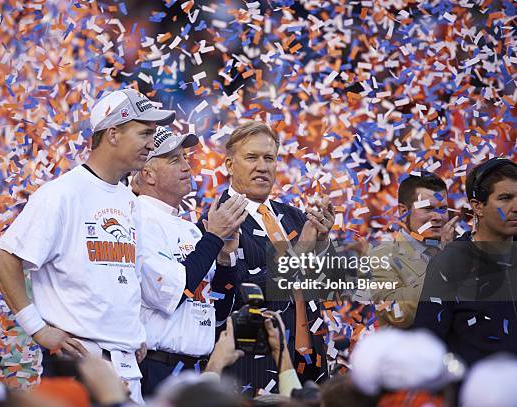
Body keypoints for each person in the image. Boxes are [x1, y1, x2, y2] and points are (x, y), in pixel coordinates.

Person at [0, 88, 175, 404]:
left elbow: (125, 275)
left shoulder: (129, 200)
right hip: (79, 365)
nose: (150, 143)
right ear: (113, 134)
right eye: (144, 133)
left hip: (128, 365)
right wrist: (37, 328)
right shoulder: (62, 194)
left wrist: (135, 333)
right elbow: (3, 257)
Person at [199, 121, 338, 393]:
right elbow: (237, 294)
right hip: (253, 371)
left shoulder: (294, 217)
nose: (262, 166)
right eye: (251, 157)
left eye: (269, 158)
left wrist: (322, 243)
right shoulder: (216, 221)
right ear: (229, 164)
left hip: (310, 363)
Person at [131, 126, 248, 396]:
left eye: (186, 158)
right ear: (147, 174)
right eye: (174, 160)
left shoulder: (190, 229)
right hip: (156, 369)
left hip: (196, 369)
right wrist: (214, 238)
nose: (187, 166)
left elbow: (215, 312)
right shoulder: (137, 218)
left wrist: (225, 260)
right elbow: (169, 294)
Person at [412, 157, 517, 365]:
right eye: (505, 198)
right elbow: (427, 344)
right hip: (477, 393)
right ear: (477, 207)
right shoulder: (450, 263)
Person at [368, 173, 458, 328]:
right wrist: (441, 263)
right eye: (428, 208)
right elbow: (399, 314)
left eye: (442, 209)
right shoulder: (380, 256)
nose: (438, 216)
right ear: (404, 212)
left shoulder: (458, 251)